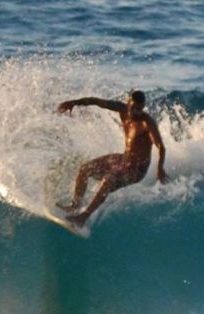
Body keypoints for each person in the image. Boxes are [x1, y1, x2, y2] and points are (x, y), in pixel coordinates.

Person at [56, 90, 168, 226]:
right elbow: (96, 101)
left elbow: (160, 146)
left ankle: (83, 217)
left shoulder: (147, 123)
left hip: (137, 169)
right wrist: (73, 102)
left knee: (109, 179)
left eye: (140, 109)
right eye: (133, 108)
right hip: (124, 159)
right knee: (85, 169)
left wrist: (160, 168)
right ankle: (74, 206)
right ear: (128, 103)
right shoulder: (121, 109)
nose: (136, 112)